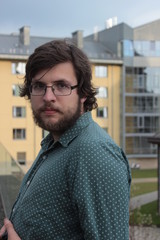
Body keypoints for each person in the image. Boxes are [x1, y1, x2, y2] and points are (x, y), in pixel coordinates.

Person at [0, 40, 131, 240]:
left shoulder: (93, 153)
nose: (48, 96)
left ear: (84, 93)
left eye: (62, 86)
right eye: (39, 86)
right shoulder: (56, 142)